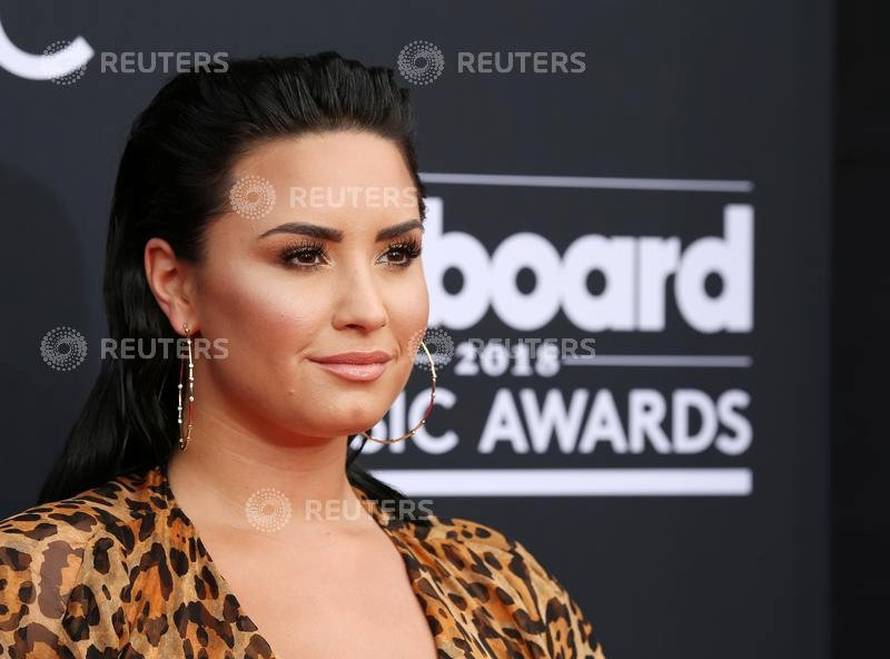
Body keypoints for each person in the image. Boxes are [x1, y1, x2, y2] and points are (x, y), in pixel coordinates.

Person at [0, 52, 606, 658]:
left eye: (397, 254)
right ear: (176, 284)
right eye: (303, 256)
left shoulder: (502, 587)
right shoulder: (49, 589)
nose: (368, 310)